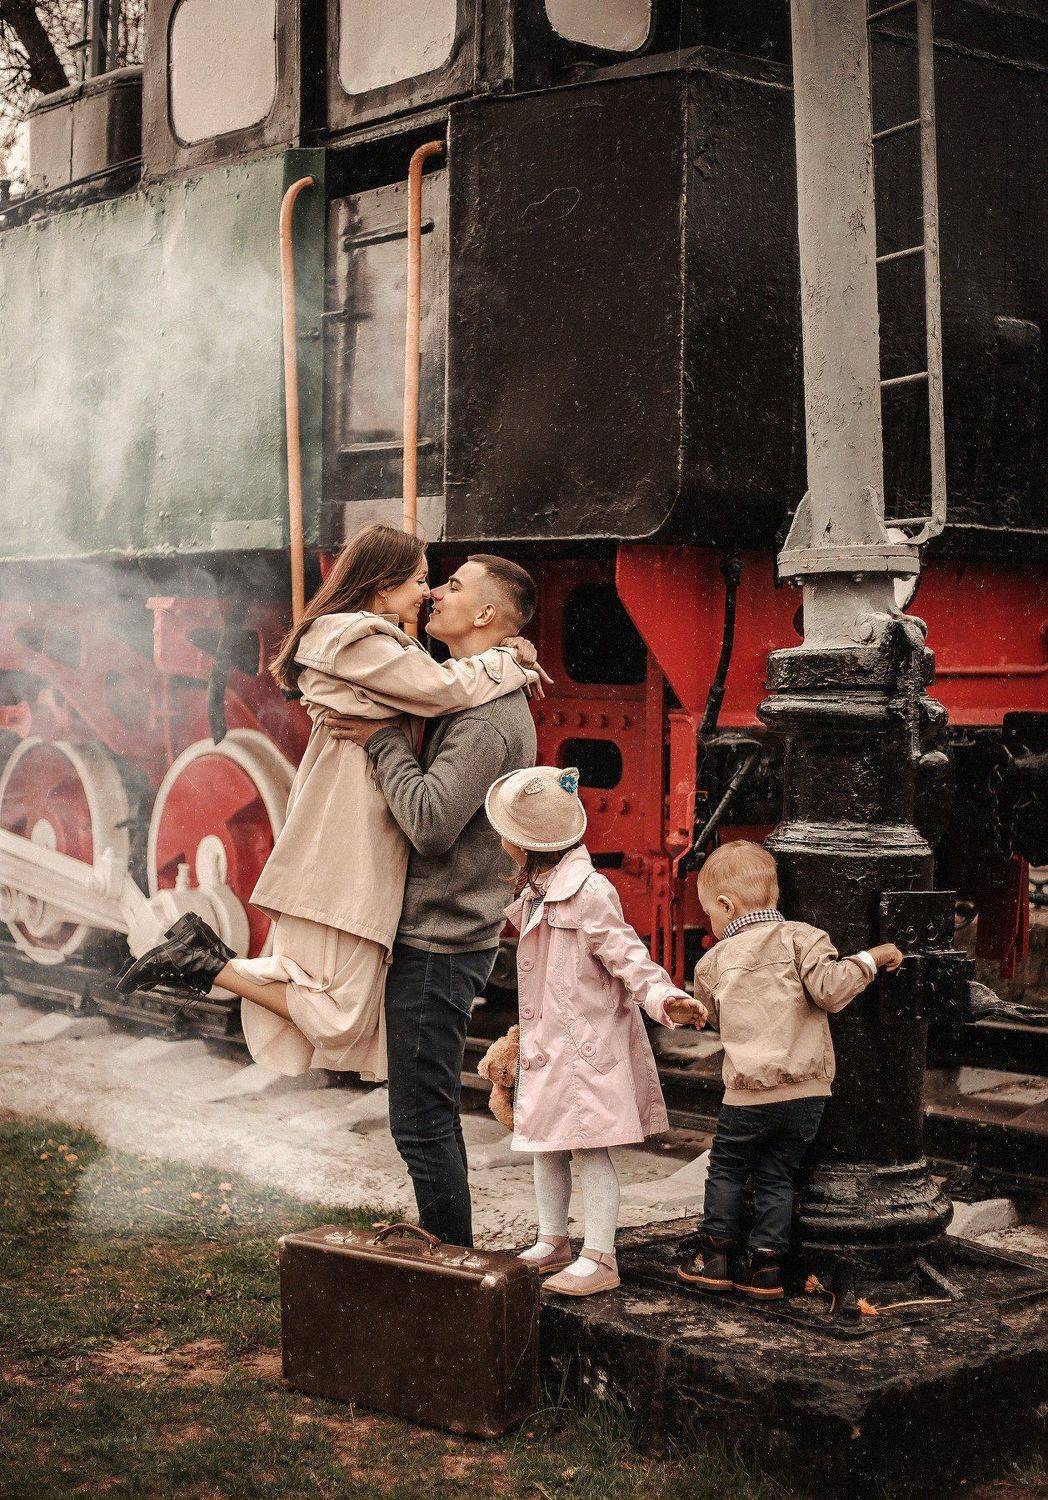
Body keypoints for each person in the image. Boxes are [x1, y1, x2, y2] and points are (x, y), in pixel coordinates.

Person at [115, 525, 539, 1086]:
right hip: (349, 833)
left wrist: (508, 649)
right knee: (340, 1010)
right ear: (383, 584)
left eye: (439, 583)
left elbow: (437, 686)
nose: (430, 591)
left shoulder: (376, 641)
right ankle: (206, 962)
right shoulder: (356, 640)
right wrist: (511, 660)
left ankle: (206, 959)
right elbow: (443, 690)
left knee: (334, 998)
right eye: (420, 580)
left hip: (359, 830)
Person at [323, 554, 543, 1248]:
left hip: (440, 941)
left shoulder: (485, 722)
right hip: (442, 932)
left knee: (421, 1122)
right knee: (426, 1116)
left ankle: (451, 1263)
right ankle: (447, 1255)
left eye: (451, 586)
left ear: (485, 613)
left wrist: (383, 743)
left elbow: (429, 821)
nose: (435, 594)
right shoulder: (466, 693)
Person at [484, 763, 706, 1298]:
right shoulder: (538, 892)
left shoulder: (588, 892)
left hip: (585, 1051)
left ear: (524, 844)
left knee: (589, 1149)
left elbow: (629, 956)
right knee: (544, 1144)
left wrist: (664, 997)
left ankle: (601, 1254)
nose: (500, 843)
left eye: (505, 835)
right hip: (551, 1046)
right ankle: (554, 1238)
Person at [677, 840, 903, 1300]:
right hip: (806, 1095)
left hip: (747, 1096)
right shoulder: (804, 938)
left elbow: (714, 1017)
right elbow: (831, 991)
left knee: (727, 1170)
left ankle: (714, 1257)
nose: (712, 922)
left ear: (726, 905)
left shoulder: (713, 962)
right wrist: (871, 957)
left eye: (710, 912)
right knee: (778, 1176)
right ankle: (766, 1268)